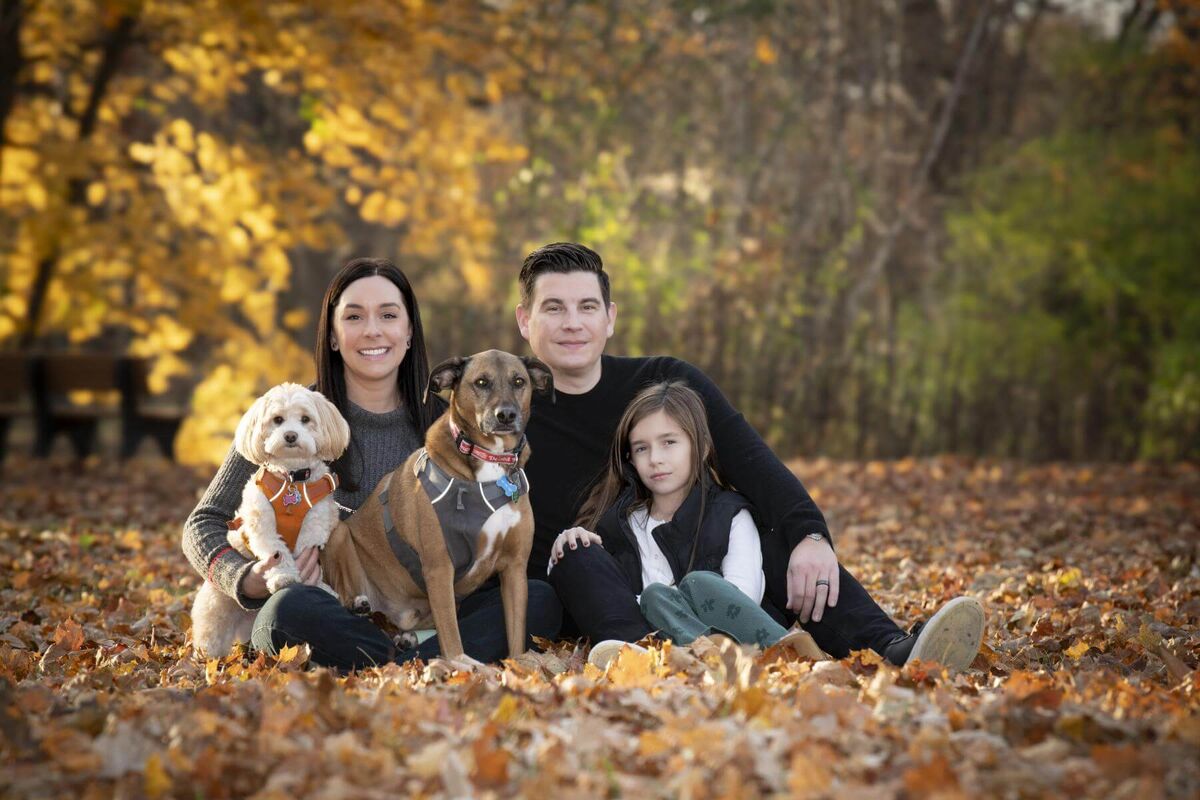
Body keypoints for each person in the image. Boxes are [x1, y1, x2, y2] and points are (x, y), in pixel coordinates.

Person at [516, 242, 984, 671]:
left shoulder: (663, 383)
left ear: (610, 318)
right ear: (524, 321)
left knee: (783, 543)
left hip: (707, 579)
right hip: (596, 595)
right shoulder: (497, 408)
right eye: (553, 308)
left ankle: (893, 648)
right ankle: (650, 657)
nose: (572, 323)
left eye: (587, 307)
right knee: (573, 561)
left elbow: (753, 463)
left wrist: (810, 534)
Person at [182, 257, 561, 671]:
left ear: (409, 332)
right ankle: (418, 661)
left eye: (388, 315)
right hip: (327, 606)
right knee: (287, 611)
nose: (373, 330)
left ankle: (408, 662)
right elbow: (202, 522)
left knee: (540, 600)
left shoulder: (454, 427)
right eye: (354, 317)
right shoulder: (291, 416)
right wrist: (244, 578)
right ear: (332, 335)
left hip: (429, 610)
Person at [550, 380, 827, 667]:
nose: (655, 459)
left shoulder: (731, 514)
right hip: (666, 644)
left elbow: (745, 596)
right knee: (655, 596)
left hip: (736, 638)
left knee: (696, 584)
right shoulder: (624, 523)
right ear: (630, 459)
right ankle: (694, 660)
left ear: (701, 447)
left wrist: (677, 599)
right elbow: (606, 596)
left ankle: (783, 649)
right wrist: (570, 543)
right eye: (642, 448)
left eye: (669, 443)